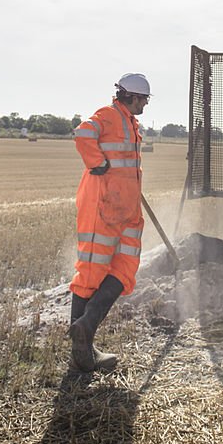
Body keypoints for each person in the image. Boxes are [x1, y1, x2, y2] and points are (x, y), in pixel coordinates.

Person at [68, 72, 150, 373]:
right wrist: (98, 164)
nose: (145, 105)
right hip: (101, 206)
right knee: (91, 273)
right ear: (131, 96)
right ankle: (82, 353)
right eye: (143, 100)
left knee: (126, 266)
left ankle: (86, 324)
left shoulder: (130, 122)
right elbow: (83, 133)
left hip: (126, 208)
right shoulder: (108, 114)